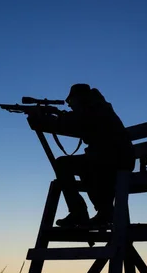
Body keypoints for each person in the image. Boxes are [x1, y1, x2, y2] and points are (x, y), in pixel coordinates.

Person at [28, 84, 135, 227]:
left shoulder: (96, 108)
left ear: (80, 99)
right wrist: (57, 116)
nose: (70, 105)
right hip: (108, 158)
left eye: (71, 102)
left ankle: (81, 212)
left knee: (64, 164)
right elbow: (79, 122)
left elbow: (80, 120)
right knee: (82, 166)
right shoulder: (96, 107)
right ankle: (102, 211)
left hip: (114, 160)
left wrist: (54, 116)